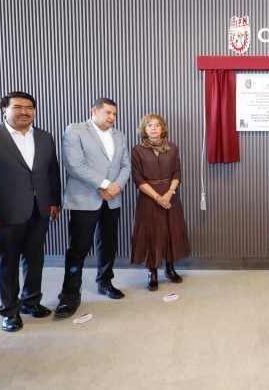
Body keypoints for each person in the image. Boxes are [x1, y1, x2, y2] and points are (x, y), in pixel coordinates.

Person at [0, 91, 61, 332]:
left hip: (39, 210)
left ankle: (31, 301)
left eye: (29, 108)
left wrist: (54, 201)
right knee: (8, 264)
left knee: (35, 259)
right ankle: (10, 311)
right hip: (4, 213)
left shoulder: (44, 137)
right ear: (4, 110)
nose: (24, 111)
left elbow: (52, 172)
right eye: (17, 107)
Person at [54, 98, 131, 319]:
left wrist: (116, 187)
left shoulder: (120, 135)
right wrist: (105, 185)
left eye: (114, 114)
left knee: (108, 243)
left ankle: (105, 282)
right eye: (108, 112)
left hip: (112, 199)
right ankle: (70, 294)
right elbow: (74, 165)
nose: (112, 117)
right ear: (94, 111)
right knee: (78, 247)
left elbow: (125, 165)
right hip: (85, 198)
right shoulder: (76, 130)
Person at [131, 114, 191, 291]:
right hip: (149, 198)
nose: (154, 128)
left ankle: (170, 268)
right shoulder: (137, 150)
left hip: (171, 196)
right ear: (144, 129)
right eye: (149, 125)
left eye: (157, 125)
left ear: (163, 128)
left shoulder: (172, 148)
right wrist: (158, 198)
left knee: (171, 231)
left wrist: (169, 194)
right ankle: (152, 271)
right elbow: (138, 178)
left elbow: (177, 172)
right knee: (151, 234)